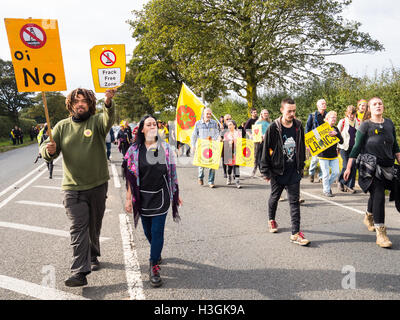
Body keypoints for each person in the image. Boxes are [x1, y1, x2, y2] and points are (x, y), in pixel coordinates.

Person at [40, 87, 116, 287]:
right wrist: (48, 151)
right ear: (71, 105)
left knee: (94, 225)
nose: (80, 104)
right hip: (72, 188)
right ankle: (79, 272)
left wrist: (108, 102)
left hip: (98, 185)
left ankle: (92, 254)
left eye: (84, 101)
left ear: (90, 104)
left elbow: (108, 119)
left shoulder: (97, 121)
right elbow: (48, 151)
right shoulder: (62, 126)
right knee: (78, 228)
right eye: (76, 101)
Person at [123, 115, 182, 287]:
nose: (152, 126)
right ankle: (156, 251)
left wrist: (176, 194)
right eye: (148, 124)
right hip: (142, 197)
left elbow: (172, 173)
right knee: (148, 231)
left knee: (157, 232)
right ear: (142, 129)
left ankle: (153, 264)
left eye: (154, 124)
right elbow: (129, 177)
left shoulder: (165, 148)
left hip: (161, 195)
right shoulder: (133, 150)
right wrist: (128, 199)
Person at [344, 97, 400, 248]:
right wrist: (349, 167)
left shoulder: (389, 123)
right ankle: (381, 233)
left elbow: (395, 146)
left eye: (380, 103)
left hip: (388, 166)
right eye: (374, 104)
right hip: (370, 168)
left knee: (379, 195)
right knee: (379, 195)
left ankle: (369, 216)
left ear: (383, 106)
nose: (378, 106)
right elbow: (356, 148)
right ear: (369, 108)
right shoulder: (365, 126)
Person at [260, 98, 310, 246]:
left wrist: (301, 167)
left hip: (293, 171)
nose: (292, 114)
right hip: (277, 171)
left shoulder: (298, 125)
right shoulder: (273, 127)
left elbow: (301, 146)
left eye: (294, 111)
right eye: (289, 111)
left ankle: (295, 233)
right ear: (282, 110)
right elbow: (265, 150)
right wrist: (265, 171)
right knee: (274, 197)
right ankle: (271, 219)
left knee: (294, 202)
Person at [191, 107, 221, 188]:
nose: (209, 115)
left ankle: (211, 181)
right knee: (201, 165)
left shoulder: (214, 123)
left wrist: (218, 138)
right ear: (203, 114)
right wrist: (193, 146)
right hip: (202, 146)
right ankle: (200, 177)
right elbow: (194, 135)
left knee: (212, 165)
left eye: (210, 114)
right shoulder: (198, 123)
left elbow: (217, 133)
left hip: (212, 146)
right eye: (207, 114)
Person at [318, 111, 343, 197]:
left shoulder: (336, 129)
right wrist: (323, 140)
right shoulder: (321, 128)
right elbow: (317, 142)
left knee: (336, 172)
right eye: (332, 117)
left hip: (333, 155)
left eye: (335, 118)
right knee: (325, 174)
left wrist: (337, 135)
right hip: (323, 155)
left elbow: (342, 141)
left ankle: (327, 185)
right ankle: (327, 190)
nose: (334, 119)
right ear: (327, 119)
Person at [337, 105, 360, 193]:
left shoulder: (358, 122)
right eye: (349, 114)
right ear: (346, 113)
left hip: (354, 148)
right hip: (344, 147)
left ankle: (350, 186)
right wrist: (337, 147)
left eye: (353, 114)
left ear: (355, 114)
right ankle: (340, 181)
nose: (351, 116)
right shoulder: (342, 122)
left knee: (353, 166)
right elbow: (337, 134)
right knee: (346, 165)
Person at [305, 99, 327, 183]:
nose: (324, 105)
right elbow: (307, 129)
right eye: (322, 104)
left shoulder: (327, 115)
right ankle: (311, 173)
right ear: (318, 106)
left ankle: (321, 176)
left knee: (323, 158)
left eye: (325, 103)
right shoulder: (312, 115)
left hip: (324, 139)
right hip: (315, 139)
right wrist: (308, 143)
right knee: (315, 159)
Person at [252, 109, 271, 176]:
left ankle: (265, 169)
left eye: (267, 113)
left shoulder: (269, 123)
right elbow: (255, 132)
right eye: (264, 113)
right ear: (261, 114)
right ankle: (259, 169)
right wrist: (261, 136)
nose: (266, 114)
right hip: (259, 142)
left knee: (266, 155)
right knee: (259, 156)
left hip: (267, 141)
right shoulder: (258, 122)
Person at [223, 119, 241, 188]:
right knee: (229, 167)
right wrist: (228, 141)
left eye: (230, 124)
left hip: (236, 152)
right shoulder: (226, 134)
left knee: (236, 167)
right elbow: (224, 142)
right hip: (229, 151)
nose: (229, 126)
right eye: (228, 125)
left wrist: (235, 140)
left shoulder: (238, 133)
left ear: (234, 125)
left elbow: (240, 141)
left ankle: (237, 181)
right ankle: (229, 177)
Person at [221, 114, 232, 179]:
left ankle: (229, 172)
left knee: (231, 159)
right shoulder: (223, 126)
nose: (228, 120)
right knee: (224, 159)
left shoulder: (233, 125)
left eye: (230, 119)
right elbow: (221, 137)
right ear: (224, 120)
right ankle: (225, 172)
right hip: (224, 144)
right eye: (227, 119)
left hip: (232, 144)